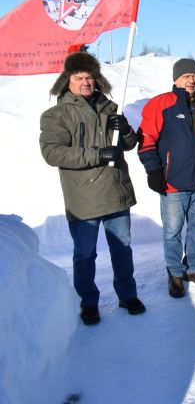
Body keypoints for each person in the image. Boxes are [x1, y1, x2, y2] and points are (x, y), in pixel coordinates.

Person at [40, 52, 145, 325]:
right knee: (85, 254)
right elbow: (53, 154)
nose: (86, 82)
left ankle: (127, 294)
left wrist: (125, 130)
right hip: (83, 197)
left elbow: (129, 144)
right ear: (68, 81)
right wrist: (98, 155)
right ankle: (87, 301)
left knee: (122, 249)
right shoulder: (56, 115)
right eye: (79, 78)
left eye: (89, 77)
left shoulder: (110, 107)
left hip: (116, 192)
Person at [137, 58, 195, 298]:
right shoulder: (160, 104)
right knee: (173, 231)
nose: (191, 79)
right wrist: (153, 171)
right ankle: (175, 272)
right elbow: (146, 141)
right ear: (176, 79)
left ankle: (193, 268)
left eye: (194, 76)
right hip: (173, 181)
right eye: (186, 76)